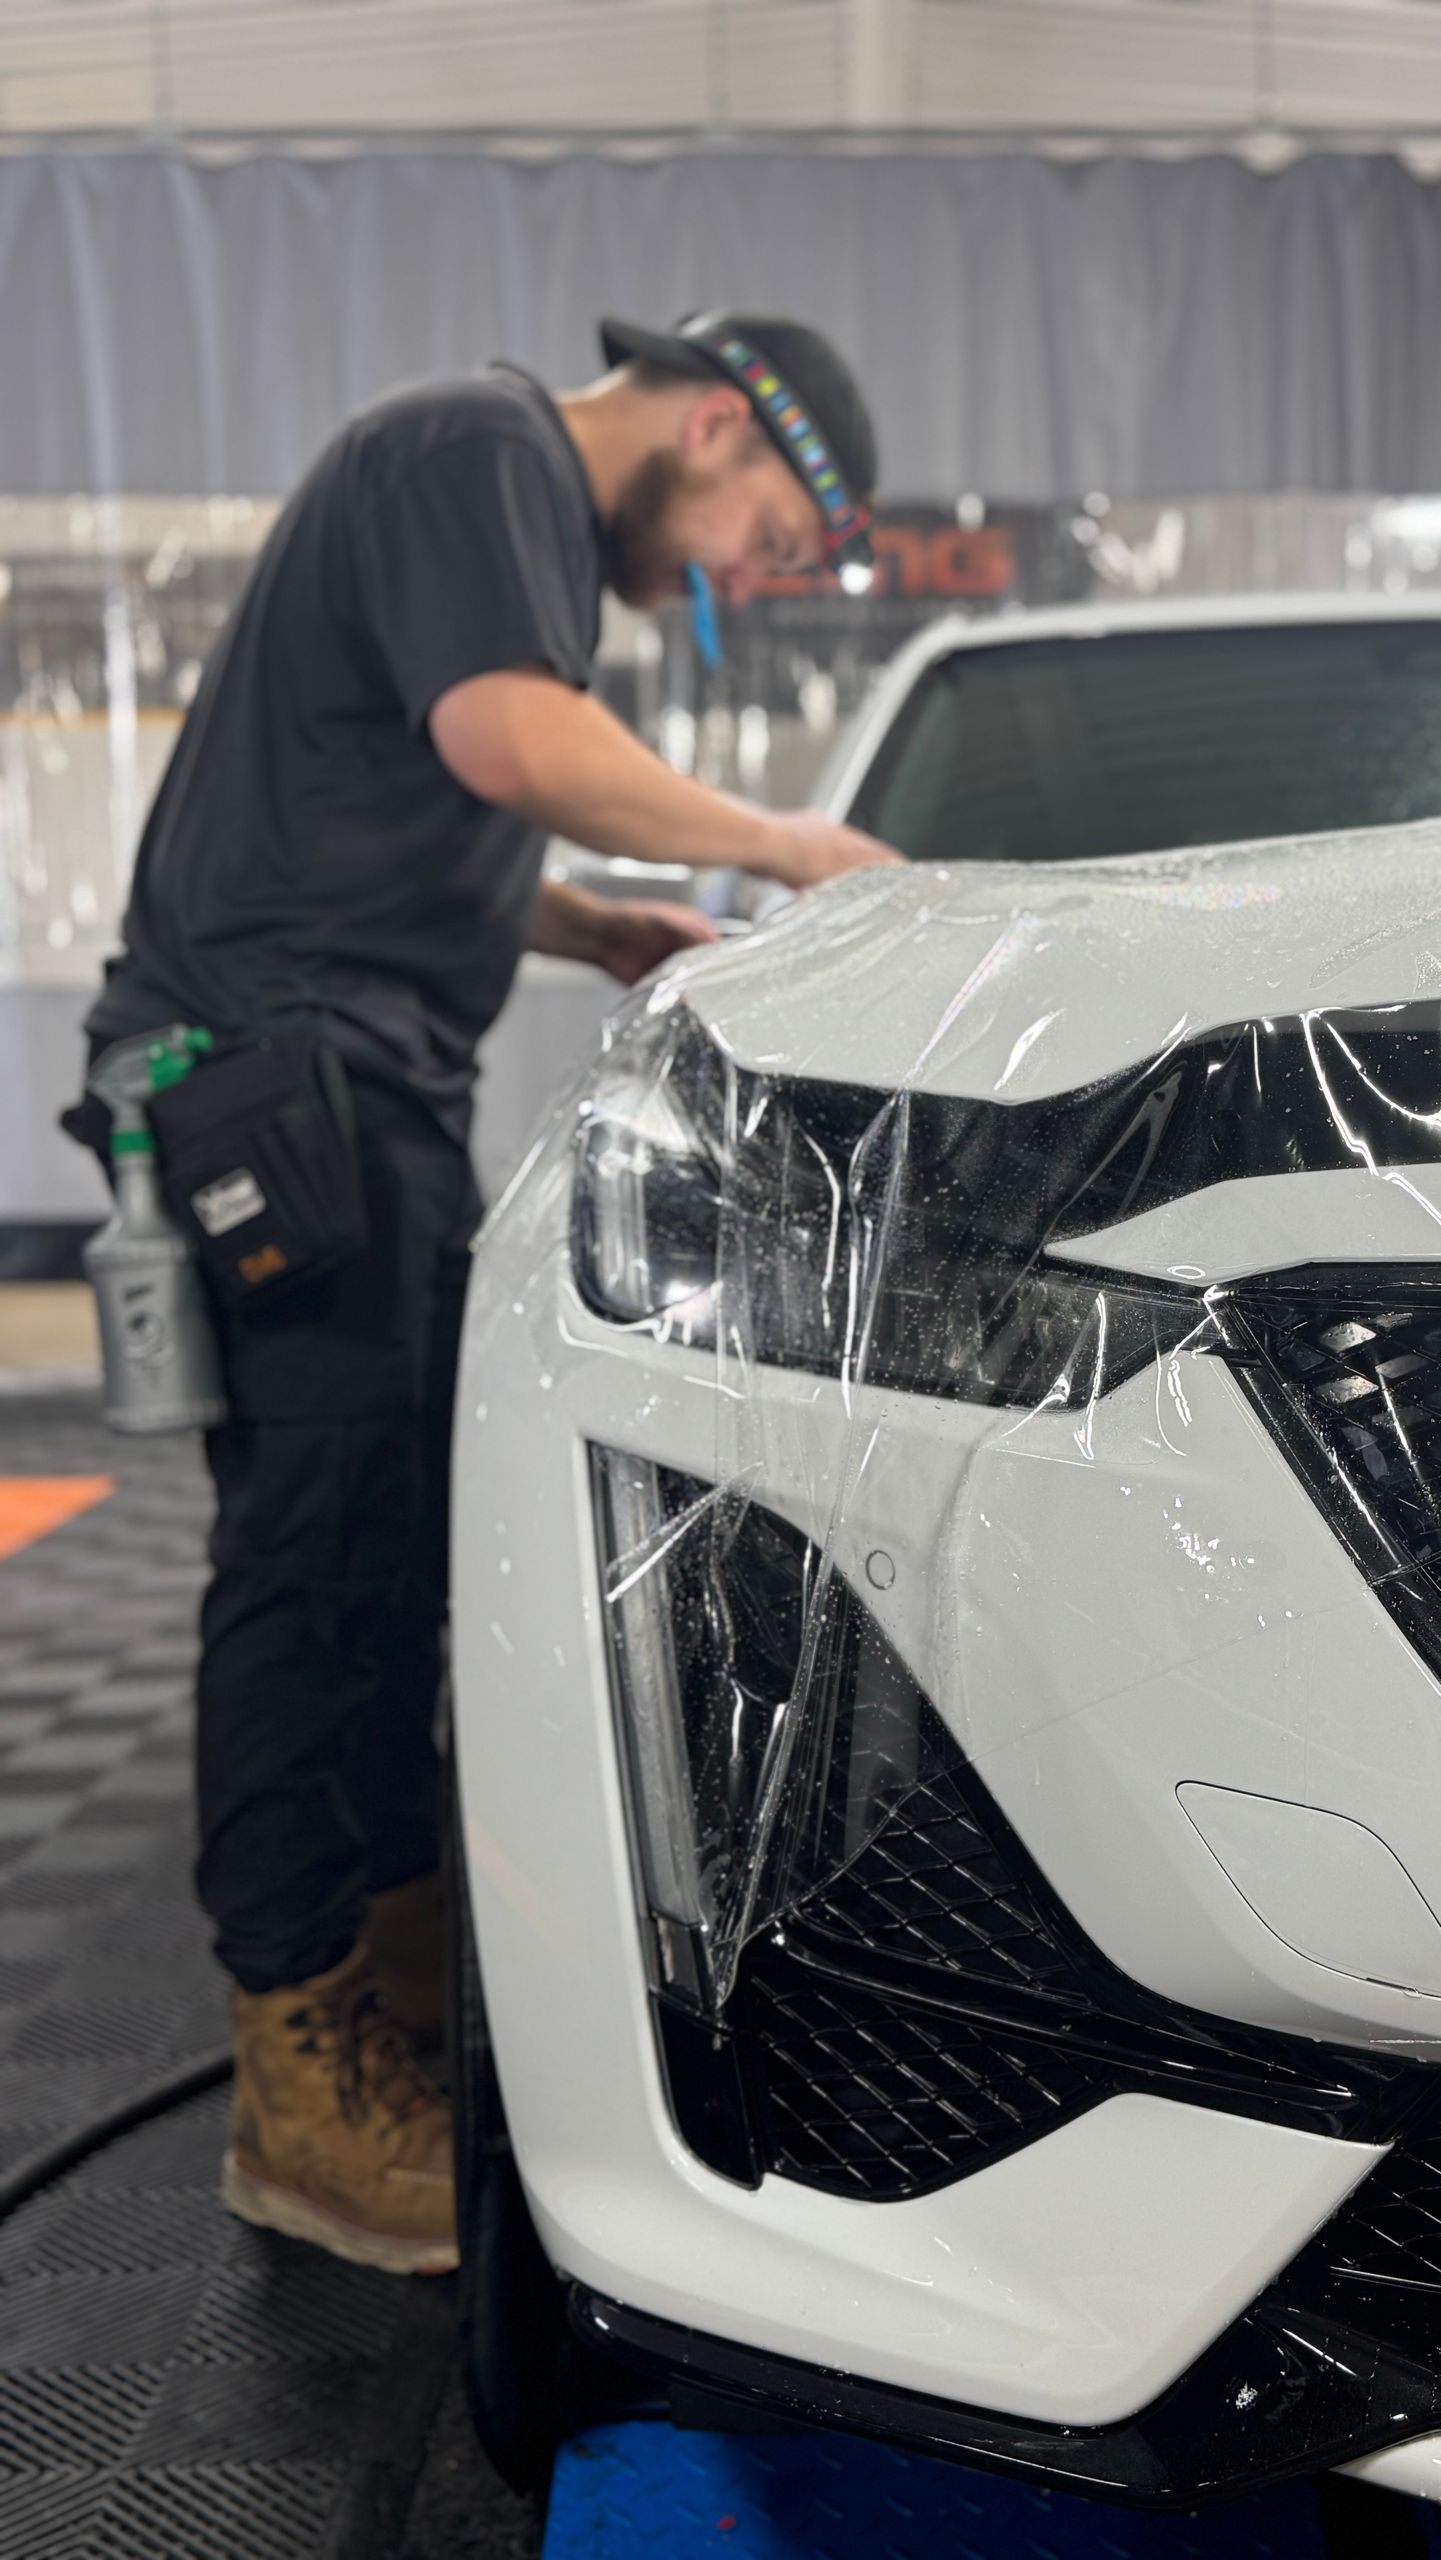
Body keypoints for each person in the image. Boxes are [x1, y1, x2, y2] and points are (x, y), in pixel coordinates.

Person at [74, 313, 899, 2275]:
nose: (730, 579)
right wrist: (783, 841)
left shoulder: (490, 498)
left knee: (376, 1566)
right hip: (285, 1080)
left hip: (350, 1076)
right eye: (762, 534)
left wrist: (588, 916)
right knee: (314, 1566)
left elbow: (390, 783)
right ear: (718, 422)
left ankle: (382, 2001)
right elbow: (499, 741)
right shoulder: (482, 447)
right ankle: (294, 2079)